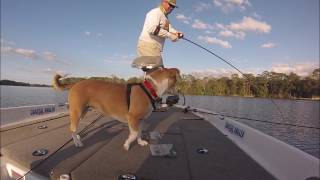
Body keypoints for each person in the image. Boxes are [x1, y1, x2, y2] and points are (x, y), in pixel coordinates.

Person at [132, 0, 184, 71]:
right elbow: (152, 29)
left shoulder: (165, 17)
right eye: (170, 5)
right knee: (158, 74)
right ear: (163, 2)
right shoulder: (155, 12)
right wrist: (171, 36)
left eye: (173, 7)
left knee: (156, 75)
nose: (172, 8)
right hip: (148, 45)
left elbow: (169, 29)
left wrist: (177, 33)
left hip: (154, 48)